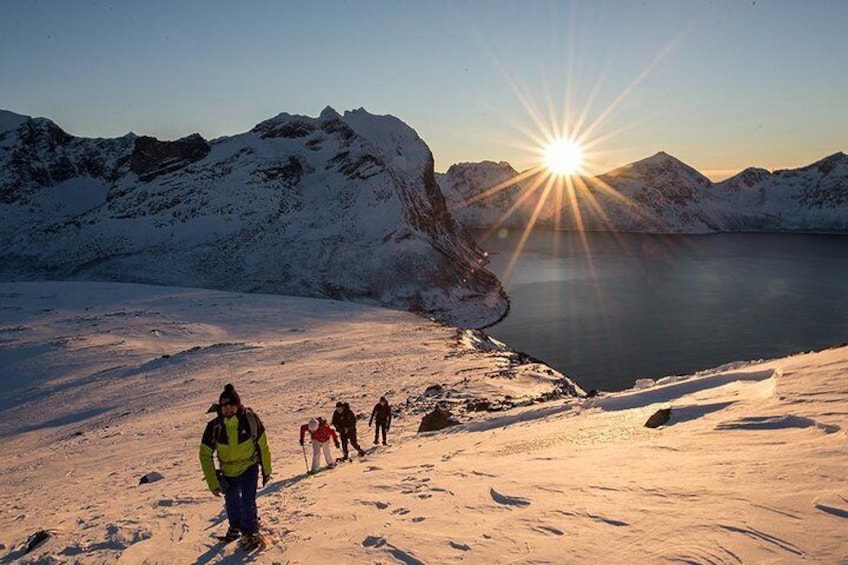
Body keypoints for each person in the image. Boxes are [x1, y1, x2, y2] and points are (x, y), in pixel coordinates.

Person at [199, 384, 272, 550]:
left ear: (237, 405)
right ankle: (235, 526)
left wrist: (266, 470)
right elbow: (205, 455)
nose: (227, 410)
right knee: (231, 501)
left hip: (249, 466)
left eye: (231, 406)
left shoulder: (250, 420)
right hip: (228, 470)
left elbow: (263, 445)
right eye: (224, 407)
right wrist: (213, 482)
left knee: (247, 500)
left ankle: (250, 532)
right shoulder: (214, 427)